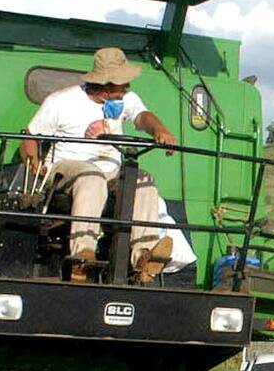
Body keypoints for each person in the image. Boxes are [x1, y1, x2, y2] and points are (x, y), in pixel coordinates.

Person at [19, 47, 177, 282]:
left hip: (110, 172)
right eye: (122, 84)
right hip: (68, 169)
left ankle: (143, 259)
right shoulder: (62, 101)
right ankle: (82, 255)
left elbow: (143, 116)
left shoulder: (126, 100)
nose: (127, 88)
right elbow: (29, 136)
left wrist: (160, 129)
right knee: (91, 177)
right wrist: (35, 168)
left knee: (142, 180)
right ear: (105, 86)